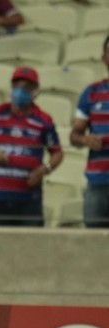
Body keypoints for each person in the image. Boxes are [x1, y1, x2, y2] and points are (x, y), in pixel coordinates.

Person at [0, 66, 63, 227]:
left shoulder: (43, 120)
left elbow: (57, 153)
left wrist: (44, 169)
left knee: (31, 248)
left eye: (26, 87)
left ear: (35, 91)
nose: (20, 91)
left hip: (29, 198)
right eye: (17, 86)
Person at [70, 35, 109, 228]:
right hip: (98, 181)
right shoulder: (91, 92)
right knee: (93, 244)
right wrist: (86, 140)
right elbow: (74, 135)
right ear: (104, 57)